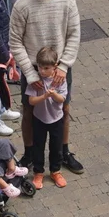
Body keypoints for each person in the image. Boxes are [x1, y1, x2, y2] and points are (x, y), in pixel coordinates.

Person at [9, 0, 83, 174]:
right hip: (33, 68)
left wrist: (64, 66)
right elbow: (15, 42)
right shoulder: (22, 5)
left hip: (60, 68)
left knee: (64, 108)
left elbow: (74, 34)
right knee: (29, 111)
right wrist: (30, 74)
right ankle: (30, 154)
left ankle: (63, 152)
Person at [25, 47, 68, 189]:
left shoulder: (59, 79)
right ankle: (38, 172)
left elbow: (62, 99)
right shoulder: (36, 81)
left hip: (56, 119)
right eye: (40, 67)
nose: (42, 71)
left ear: (55, 66)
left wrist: (54, 94)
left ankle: (56, 171)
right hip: (39, 118)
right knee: (38, 146)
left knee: (56, 146)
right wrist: (44, 96)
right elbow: (31, 101)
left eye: (46, 68)